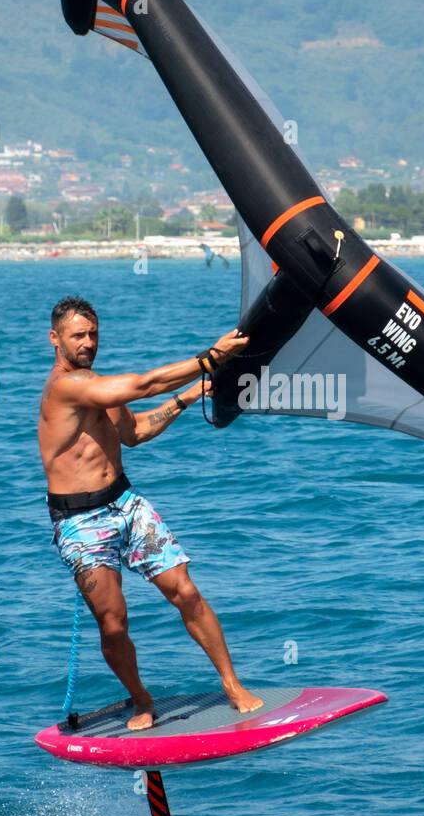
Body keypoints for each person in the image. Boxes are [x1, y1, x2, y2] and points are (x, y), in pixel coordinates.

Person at [38, 295, 262, 731]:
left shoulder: (95, 385)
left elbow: (136, 431)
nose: (87, 342)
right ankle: (141, 699)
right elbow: (142, 385)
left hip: (126, 504)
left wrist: (187, 397)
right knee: (114, 622)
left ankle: (233, 686)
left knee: (187, 593)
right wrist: (211, 358)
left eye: (93, 334)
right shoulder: (66, 388)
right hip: (81, 523)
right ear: (55, 339)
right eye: (77, 335)